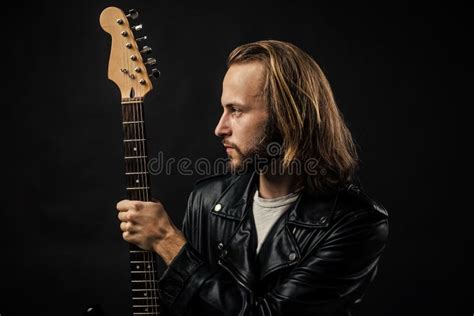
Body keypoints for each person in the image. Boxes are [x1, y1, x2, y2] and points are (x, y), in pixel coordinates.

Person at [116, 40, 389, 315]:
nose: (219, 128)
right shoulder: (208, 201)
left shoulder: (357, 223)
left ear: (288, 116)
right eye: (223, 109)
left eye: (236, 110)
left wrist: (167, 241)